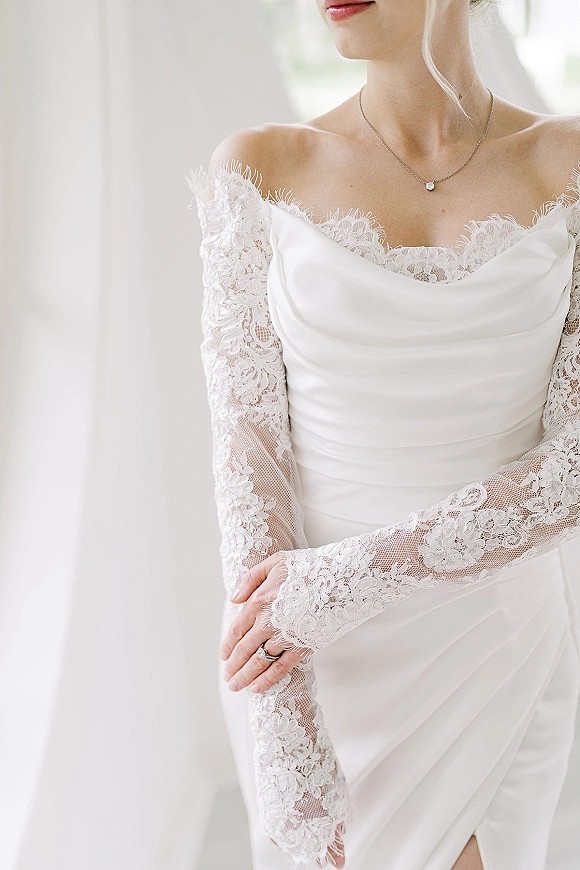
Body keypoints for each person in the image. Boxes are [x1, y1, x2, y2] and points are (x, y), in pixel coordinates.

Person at [189, 1, 580, 867]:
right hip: (308, 656)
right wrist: (282, 718)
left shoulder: (571, 165)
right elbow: (247, 453)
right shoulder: (259, 169)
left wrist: (347, 580)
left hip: (490, 639)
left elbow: (574, 465)